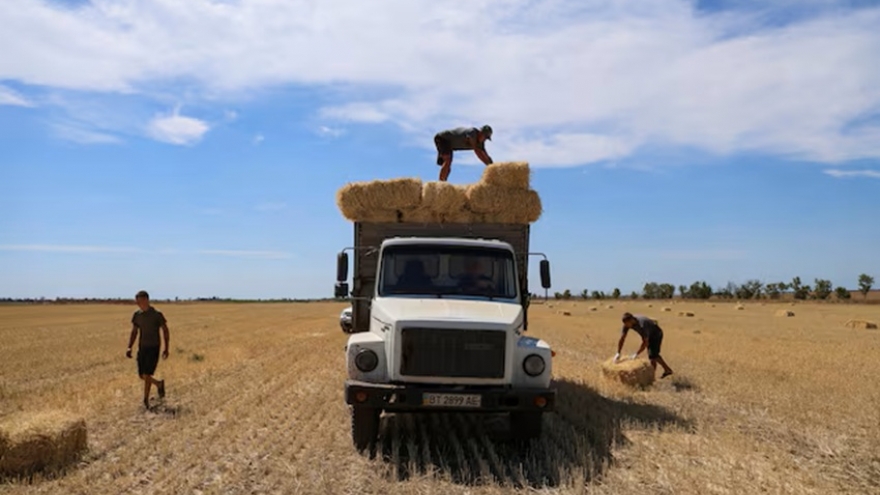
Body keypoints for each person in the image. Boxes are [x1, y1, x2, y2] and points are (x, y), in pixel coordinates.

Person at [126, 290, 170, 409]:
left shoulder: (156, 314)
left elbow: (165, 330)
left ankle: (145, 400)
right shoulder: (137, 315)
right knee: (142, 375)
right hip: (142, 347)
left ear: (146, 300)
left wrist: (166, 348)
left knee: (147, 374)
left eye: (139, 301)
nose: (137, 303)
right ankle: (159, 384)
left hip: (154, 347)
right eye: (137, 301)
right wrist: (129, 346)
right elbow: (134, 331)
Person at [614, 312, 674, 379]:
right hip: (649, 334)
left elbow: (645, 342)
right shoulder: (626, 324)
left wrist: (636, 354)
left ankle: (667, 370)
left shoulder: (642, 325)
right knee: (652, 357)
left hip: (656, 334)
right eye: (625, 324)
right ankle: (652, 376)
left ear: (631, 320)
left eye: (627, 324)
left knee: (653, 355)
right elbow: (622, 338)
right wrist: (618, 352)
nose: (626, 326)